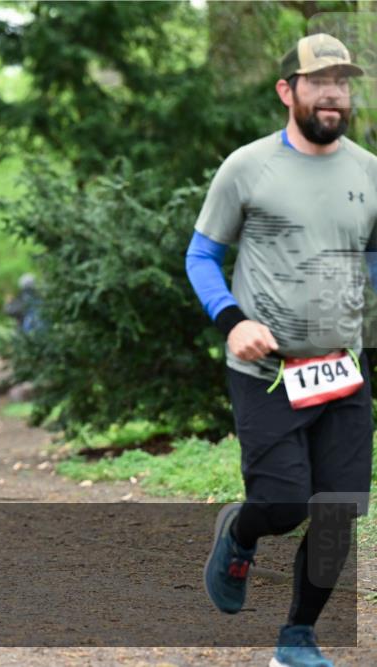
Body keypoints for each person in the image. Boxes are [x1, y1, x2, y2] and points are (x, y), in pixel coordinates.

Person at [185, 34, 375, 667]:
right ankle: (240, 534)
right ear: (287, 90)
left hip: (342, 369)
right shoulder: (248, 167)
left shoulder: (369, 171)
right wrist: (232, 320)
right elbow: (202, 255)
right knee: (284, 503)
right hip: (267, 370)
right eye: (319, 81)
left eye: (342, 82)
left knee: (338, 510)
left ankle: (297, 638)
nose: (333, 94)